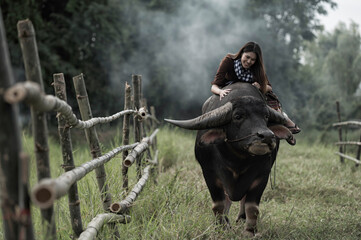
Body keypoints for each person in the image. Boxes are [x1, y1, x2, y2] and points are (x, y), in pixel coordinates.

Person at [211, 41, 300, 135]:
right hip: (229, 92)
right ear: (242, 53)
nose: (249, 61)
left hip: (251, 95)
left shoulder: (257, 68)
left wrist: (260, 86)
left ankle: (284, 122)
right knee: (217, 113)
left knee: (271, 109)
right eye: (247, 57)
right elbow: (214, 86)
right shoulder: (229, 61)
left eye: (253, 59)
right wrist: (220, 91)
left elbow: (269, 87)